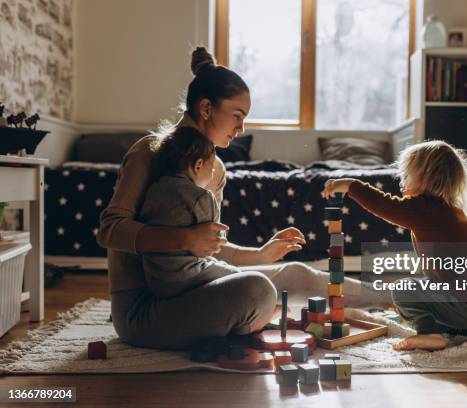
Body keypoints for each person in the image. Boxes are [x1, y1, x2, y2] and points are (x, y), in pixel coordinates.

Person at [98, 46, 389, 350]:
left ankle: (403, 296)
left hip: (195, 286)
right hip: (143, 310)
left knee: (295, 273)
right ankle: (246, 322)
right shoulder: (149, 151)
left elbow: (209, 248)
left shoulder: (217, 169)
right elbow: (110, 229)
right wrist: (183, 239)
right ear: (206, 108)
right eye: (237, 116)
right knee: (256, 291)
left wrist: (260, 254)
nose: (241, 129)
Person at [324, 140, 467, 351]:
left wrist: (350, 185)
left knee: (403, 290)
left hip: (465, 303)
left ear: (427, 178)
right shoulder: (450, 209)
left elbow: (384, 204)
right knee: (425, 286)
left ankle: (430, 333)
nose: (402, 182)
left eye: (407, 176)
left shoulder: (425, 208)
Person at [139, 127, 245, 298]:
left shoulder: (154, 189)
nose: (211, 176)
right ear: (198, 165)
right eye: (211, 171)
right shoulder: (201, 196)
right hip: (187, 274)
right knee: (241, 277)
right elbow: (213, 243)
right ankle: (261, 315)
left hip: (155, 279)